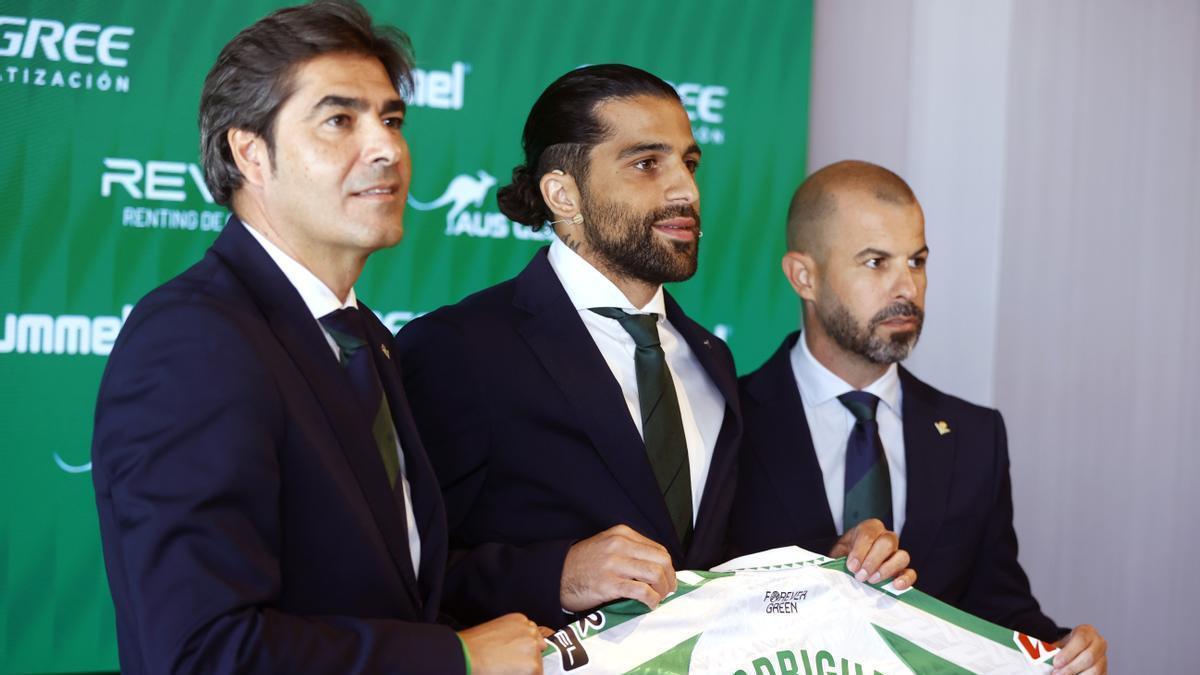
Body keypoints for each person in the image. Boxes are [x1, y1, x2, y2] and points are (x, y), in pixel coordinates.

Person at [91, 2, 543, 673]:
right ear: (249, 153)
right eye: (339, 120)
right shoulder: (193, 340)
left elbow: (396, 587)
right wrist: (453, 658)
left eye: (391, 119)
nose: (387, 147)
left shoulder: (367, 338)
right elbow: (203, 652)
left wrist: (556, 574)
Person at [395, 66, 914, 630]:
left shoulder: (711, 357)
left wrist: (829, 565)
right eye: (647, 164)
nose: (686, 191)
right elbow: (402, 573)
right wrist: (557, 575)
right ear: (563, 194)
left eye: (689, 163)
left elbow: (711, 562)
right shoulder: (459, 348)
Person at [731, 160, 1108, 675]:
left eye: (917, 260)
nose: (906, 287)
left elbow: (995, 609)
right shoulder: (726, 420)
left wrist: (1065, 650)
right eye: (875, 263)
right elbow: (699, 602)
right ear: (804, 276)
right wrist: (821, 573)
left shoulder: (976, 436)